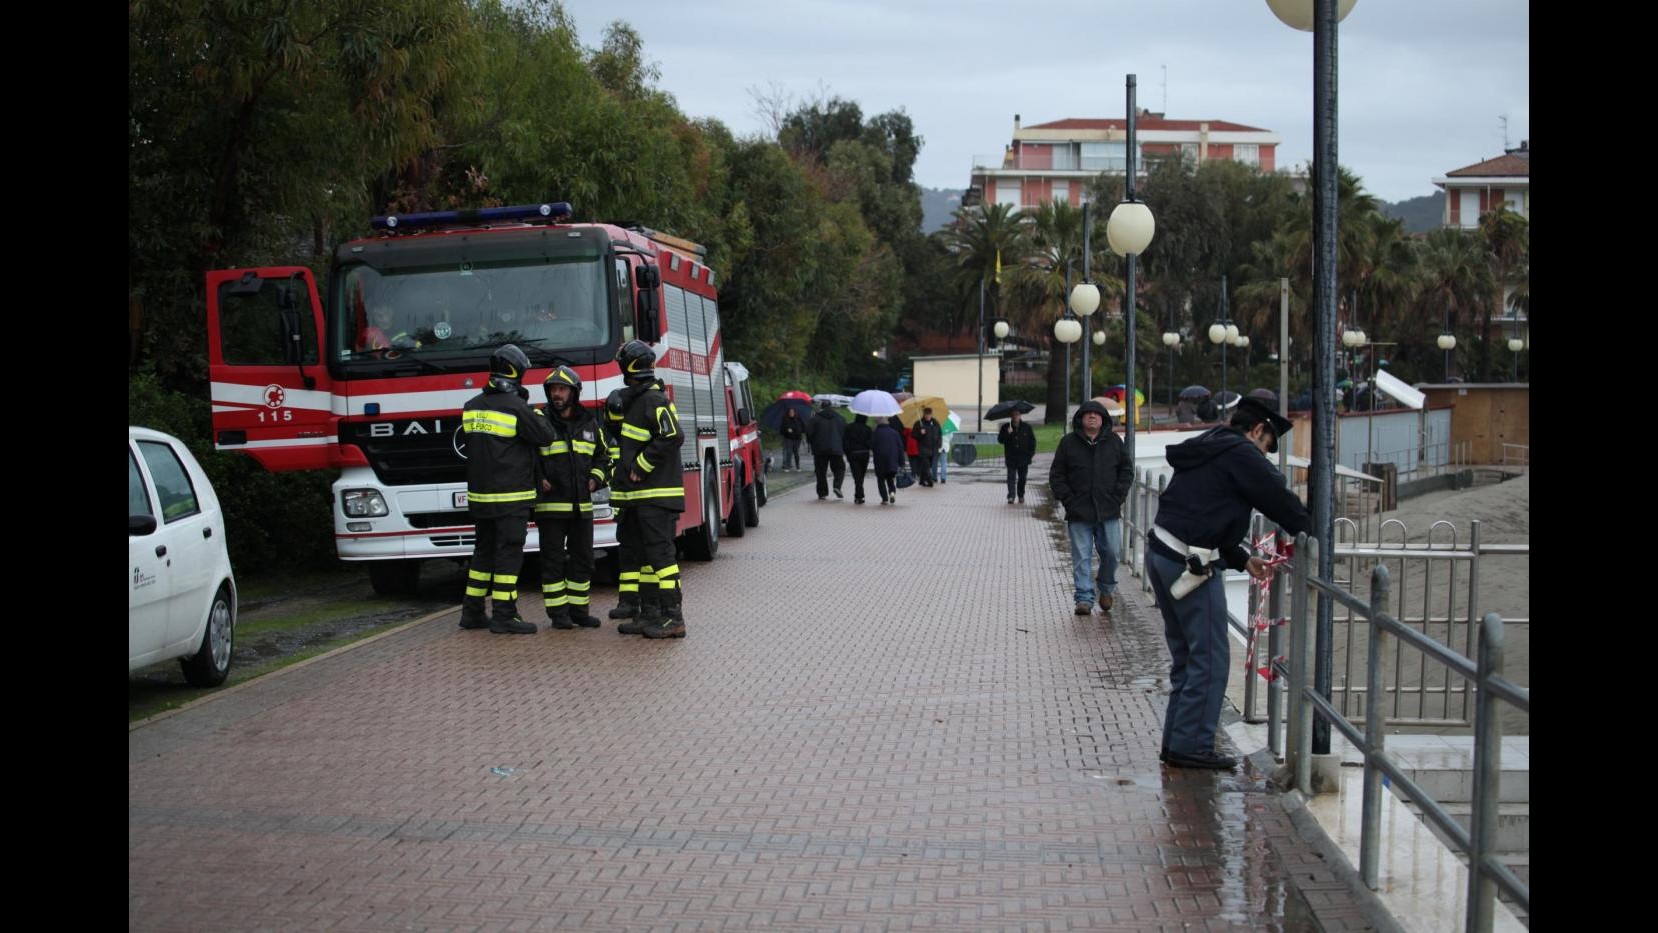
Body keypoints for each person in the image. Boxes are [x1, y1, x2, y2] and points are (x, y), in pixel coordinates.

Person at [1146, 396, 1311, 771]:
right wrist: (1315, 532)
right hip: (1190, 564)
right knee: (1211, 659)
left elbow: (1206, 506)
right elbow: (1277, 497)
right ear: (1258, 430)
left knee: (1187, 657)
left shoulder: (1213, 442)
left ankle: (1177, 741)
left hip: (1163, 552)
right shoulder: (1241, 452)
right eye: (1268, 445)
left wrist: (1239, 558)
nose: (1266, 454)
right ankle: (1192, 746)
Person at [459, 345, 557, 634]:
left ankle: (472, 611)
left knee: (482, 555)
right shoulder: (516, 407)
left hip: (480, 497)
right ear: (516, 373)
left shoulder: (471, 406)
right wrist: (532, 410)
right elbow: (546, 436)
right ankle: (504, 614)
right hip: (511, 497)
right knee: (508, 555)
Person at [609, 340, 689, 639]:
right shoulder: (637, 401)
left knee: (661, 559)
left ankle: (673, 618)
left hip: (656, 497)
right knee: (644, 559)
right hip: (640, 498)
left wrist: (641, 465)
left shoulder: (654, 400)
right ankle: (649, 614)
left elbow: (672, 435)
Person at [532, 365, 611, 630]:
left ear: (574, 393)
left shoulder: (589, 423)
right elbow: (526, 456)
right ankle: (558, 615)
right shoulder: (540, 421)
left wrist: (596, 478)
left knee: (584, 560)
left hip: (582, 507)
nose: (557, 394)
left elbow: (604, 456)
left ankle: (579, 610)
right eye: (553, 389)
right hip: (551, 507)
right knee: (553, 562)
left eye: (562, 389)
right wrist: (537, 478)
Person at [1048, 399, 1132, 618]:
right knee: (1081, 557)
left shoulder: (1114, 442)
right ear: (1081, 419)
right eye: (1088, 414)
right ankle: (1084, 598)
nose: (1092, 416)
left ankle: (1106, 588)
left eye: (1097, 414)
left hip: (1108, 509)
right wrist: (1068, 499)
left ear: (1103, 419)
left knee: (1112, 552)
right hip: (1079, 511)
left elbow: (1126, 470)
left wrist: (1117, 497)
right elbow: (1057, 474)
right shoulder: (1068, 443)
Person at [805, 400, 847, 500]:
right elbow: (845, 434)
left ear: (821, 407)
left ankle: (822, 492)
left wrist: (812, 443)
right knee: (839, 468)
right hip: (836, 448)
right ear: (831, 407)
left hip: (819, 449)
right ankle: (837, 485)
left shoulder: (815, 419)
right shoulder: (841, 419)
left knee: (820, 471)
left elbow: (809, 433)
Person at [997, 409, 1037, 504]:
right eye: (1013, 415)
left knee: (1022, 478)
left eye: (1017, 415)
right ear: (1011, 416)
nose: (1015, 417)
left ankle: (1021, 494)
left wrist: (1030, 454)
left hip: (1024, 458)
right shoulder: (1006, 427)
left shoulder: (1027, 427)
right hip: (1011, 457)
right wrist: (1008, 433)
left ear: (1020, 415)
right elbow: (1000, 440)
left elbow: (1032, 441)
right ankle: (1011, 496)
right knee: (1011, 478)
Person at [872, 416, 906, 505]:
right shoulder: (894, 433)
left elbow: (872, 445)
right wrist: (901, 462)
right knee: (890, 479)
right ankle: (892, 492)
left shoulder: (876, 433)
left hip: (880, 461)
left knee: (881, 479)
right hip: (892, 461)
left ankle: (884, 498)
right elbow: (900, 448)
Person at [843, 412, 873, 504]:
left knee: (857, 475)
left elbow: (845, 442)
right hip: (864, 454)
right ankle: (859, 494)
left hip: (853, 454)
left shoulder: (849, 428)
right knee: (861, 475)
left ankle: (859, 495)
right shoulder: (868, 429)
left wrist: (847, 453)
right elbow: (871, 443)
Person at [911, 408, 943, 487]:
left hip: (933, 449)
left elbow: (940, 434)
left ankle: (922, 480)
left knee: (929, 465)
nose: (928, 416)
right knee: (926, 465)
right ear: (924, 414)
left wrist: (939, 443)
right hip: (923, 448)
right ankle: (930, 480)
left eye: (929, 414)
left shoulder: (935, 423)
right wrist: (920, 433)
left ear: (931, 414)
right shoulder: (919, 423)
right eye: (927, 414)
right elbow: (913, 435)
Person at [779, 407, 805, 471]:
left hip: (797, 438)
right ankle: (788, 466)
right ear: (788, 413)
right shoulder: (785, 419)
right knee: (789, 452)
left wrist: (794, 431)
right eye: (790, 412)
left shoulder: (799, 419)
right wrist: (787, 430)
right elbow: (782, 430)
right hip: (788, 438)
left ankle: (798, 466)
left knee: (796, 452)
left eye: (792, 412)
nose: (791, 413)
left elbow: (803, 428)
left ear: (795, 412)